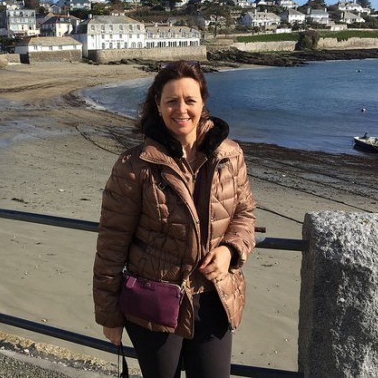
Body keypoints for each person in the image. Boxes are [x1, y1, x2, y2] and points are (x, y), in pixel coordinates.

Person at [93, 60, 256, 378]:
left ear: (203, 102)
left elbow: (244, 214)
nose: (181, 109)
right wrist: (109, 316)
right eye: (171, 100)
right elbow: (111, 244)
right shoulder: (134, 165)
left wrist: (230, 251)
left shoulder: (230, 154)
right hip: (154, 305)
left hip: (214, 298)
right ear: (158, 104)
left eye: (190, 100)